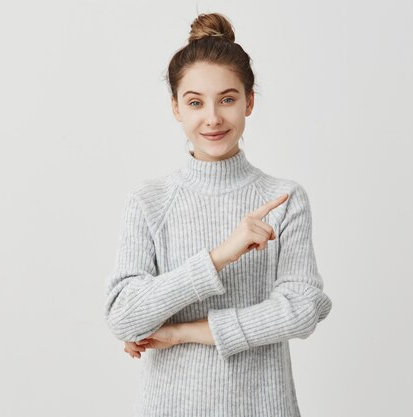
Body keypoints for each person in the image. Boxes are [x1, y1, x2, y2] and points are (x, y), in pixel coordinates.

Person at [104, 12, 333, 417]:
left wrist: (182, 332)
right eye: (195, 102)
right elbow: (124, 317)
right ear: (175, 107)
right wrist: (220, 256)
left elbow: (302, 310)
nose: (212, 118)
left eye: (227, 99)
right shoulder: (149, 201)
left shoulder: (283, 198)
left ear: (249, 101)